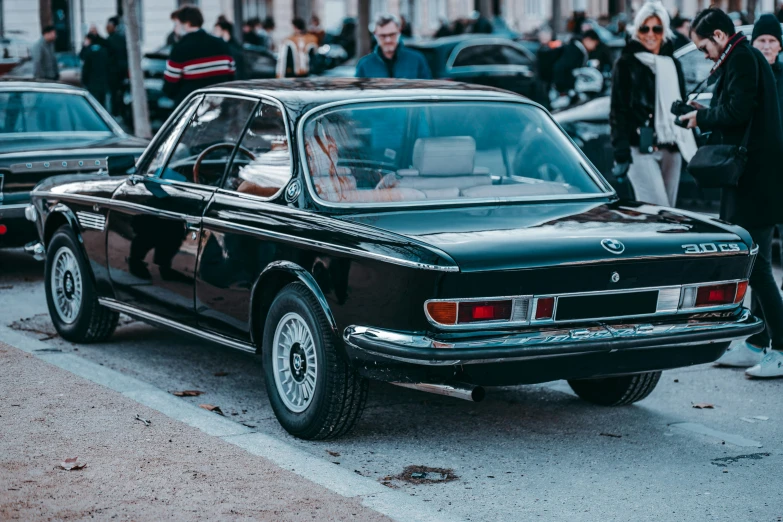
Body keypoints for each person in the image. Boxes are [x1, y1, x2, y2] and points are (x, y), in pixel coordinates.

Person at [679, 8, 783, 378]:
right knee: (754, 265)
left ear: (720, 36)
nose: (704, 53)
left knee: (757, 269)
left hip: (755, 181)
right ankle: (758, 344)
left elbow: (737, 111)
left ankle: (780, 348)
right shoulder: (744, 56)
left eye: (703, 45)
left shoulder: (741, 57)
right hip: (755, 179)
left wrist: (700, 117)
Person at [610, 1, 697, 208]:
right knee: (655, 209)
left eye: (656, 28)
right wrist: (620, 151)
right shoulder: (626, 63)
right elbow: (617, 111)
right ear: (637, 30)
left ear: (664, 31)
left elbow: (680, 103)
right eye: (644, 28)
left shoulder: (672, 63)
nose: (650, 34)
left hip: (671, 148)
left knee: (669, 214)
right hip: (639, 149)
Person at [163, 6, 236, 105]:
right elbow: (231, 76)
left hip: (192, 108)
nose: (175, 29)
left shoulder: (179, 49)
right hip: (221, 106)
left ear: (187, 24)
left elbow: (169, 87)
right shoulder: (221, 44)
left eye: (176, 24)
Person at [355, 14, 432, 79]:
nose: (388, 40)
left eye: (392, 34)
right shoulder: (364, 64)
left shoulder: (417, 60)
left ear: (399, 31)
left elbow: (428, 91)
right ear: (375, 35)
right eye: (383, 36)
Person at [553, 30, 601, 94]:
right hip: (564, 90)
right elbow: (562, 67)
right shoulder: (575, 50)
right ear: (588, 39)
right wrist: (564, 88)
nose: (594, 48)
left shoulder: (577, 49)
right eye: (594, 44)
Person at [105, 16, 128, 116]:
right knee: (119, 94)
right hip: (120, 71)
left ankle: (116, 112)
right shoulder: (122, 39)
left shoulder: (111, 40)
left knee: (115, 94)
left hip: (114, 72)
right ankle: (120, 112)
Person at [81, 33, 109, 107]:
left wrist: (84, 81)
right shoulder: (104, 51)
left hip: (92, 83)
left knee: (94, 105)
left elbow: (85, 68)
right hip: (103, 83)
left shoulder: (88, 52)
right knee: (102, 105)